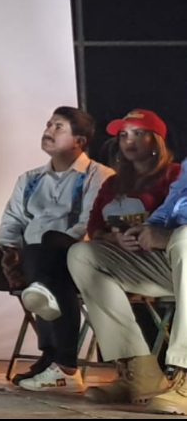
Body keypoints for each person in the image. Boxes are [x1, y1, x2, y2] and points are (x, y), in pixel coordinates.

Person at [0, 107, 112, 388]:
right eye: (48, 124)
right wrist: (8, 253)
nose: (48, 131)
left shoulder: (97, 175)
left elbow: (87, 224)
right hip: (24, 260)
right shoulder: (30, 178)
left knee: (43, 251)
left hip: (67, 264)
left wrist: (33, 254)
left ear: (80, 140)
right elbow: (13, 220)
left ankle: (57, 359)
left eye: (58, 127)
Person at [69, 108, 186, 411]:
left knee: (185, 239)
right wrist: (149, 228)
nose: (128, 141)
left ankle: (185, 373)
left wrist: (170, 237)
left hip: (180, 249)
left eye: (137, 133)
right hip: (166, 261)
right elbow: (168, 209)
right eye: (123, 135)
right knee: (83, 254)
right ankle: (139, 370)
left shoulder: (170, 169)